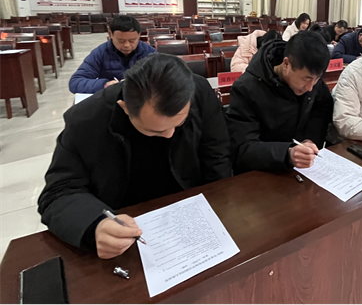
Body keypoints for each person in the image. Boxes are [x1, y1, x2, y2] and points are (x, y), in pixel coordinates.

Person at [38, 54, 231, 259]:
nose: (169, 134)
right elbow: (58, 193)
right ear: (125, 107)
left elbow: (217, 155)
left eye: (179, 123)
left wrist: (218, 206)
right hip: (125, 224)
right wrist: (95, 225)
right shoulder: (86, 121)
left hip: (189, 214)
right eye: (156, 131)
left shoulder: (198, 91)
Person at [226, 30, 333, 174]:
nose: (310, 87)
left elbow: (321, 109)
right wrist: (286, 154)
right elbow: (242, 149)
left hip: (302, 170)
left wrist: (309, 140)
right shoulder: (246, 88)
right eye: (306, 79)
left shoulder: (312, 78)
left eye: (317, 79)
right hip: (260, 172)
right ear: (286, 63)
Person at [69, 15, 156, 94]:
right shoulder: (100, 53)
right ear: (111, 35)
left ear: (139, 36)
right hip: (110, 98)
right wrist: (105, 85)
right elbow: (75, 82)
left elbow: (162, 79)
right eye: (121, 41)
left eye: (132, 41)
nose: (127, 45)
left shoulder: (149, 53)